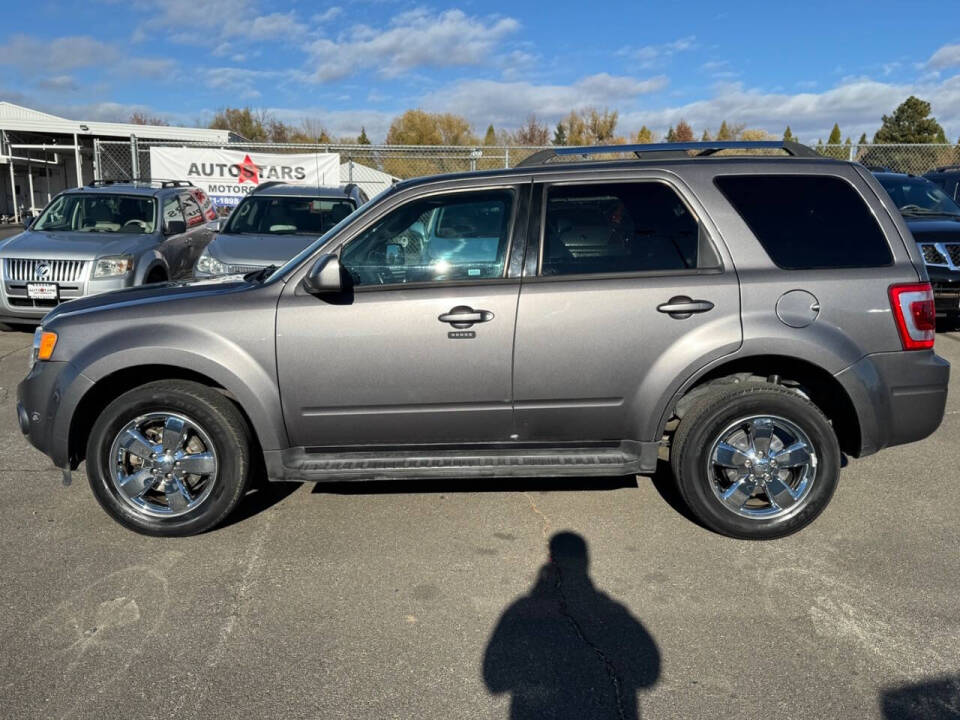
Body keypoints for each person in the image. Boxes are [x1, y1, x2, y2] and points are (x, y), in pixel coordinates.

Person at [483, 532, 660, 720]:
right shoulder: (612, 609)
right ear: (585, 561)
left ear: (551, 560)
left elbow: (493, 681)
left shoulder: (521, 608)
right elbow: (649, 675)